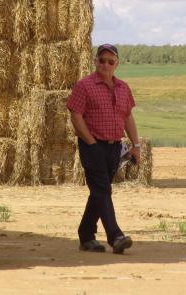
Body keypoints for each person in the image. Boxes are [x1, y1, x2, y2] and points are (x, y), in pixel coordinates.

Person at [66, 43, 141, 254]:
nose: (105, 65)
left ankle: (86, 235)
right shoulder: (84, 86)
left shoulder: (123, 88)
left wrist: (135, 146)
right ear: (95, 61)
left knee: (99, 192)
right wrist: (89, 141)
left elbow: (127, 117)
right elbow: (75, 115)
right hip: (92, 145)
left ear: (117, 64)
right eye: (101, 60)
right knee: (102, 189)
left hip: (114, 147)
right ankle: (115, 236)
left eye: (110, 61)